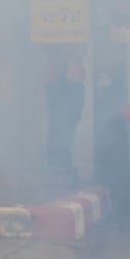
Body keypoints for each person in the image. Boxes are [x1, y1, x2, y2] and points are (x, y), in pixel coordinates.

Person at [45, 45, 85, 175]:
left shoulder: (75, 86)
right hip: (61, 114)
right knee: (57, 143)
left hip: (66, 115)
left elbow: (79, 77)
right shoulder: (58, 83)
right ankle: (58, 171)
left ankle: (62, 171)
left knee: (62, 144)